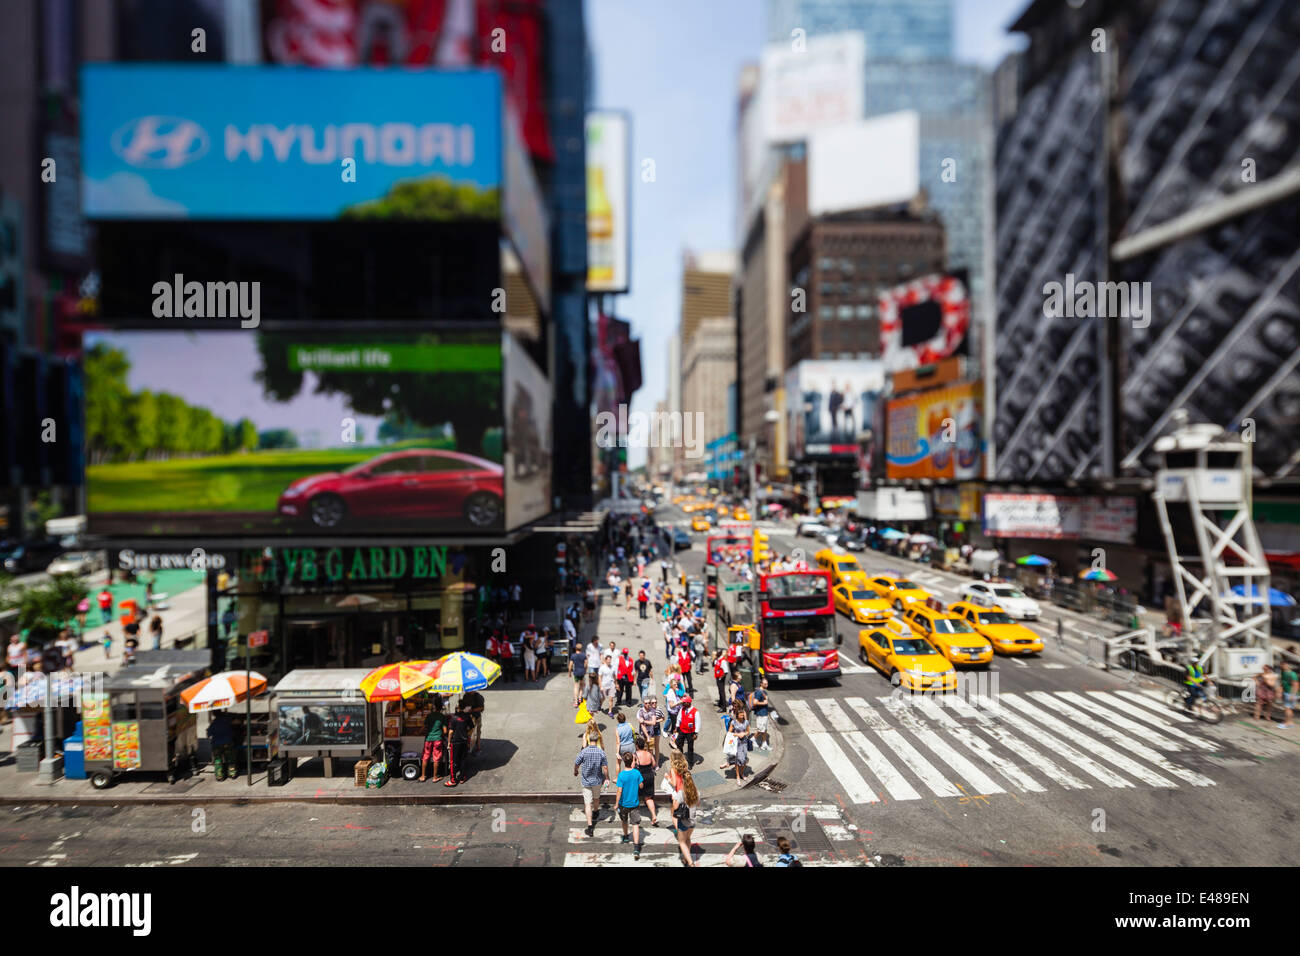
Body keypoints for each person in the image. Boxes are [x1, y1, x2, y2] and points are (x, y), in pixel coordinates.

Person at [663, 751, 699, 867]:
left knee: (682, 841)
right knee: (688, 839)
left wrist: (668, 778)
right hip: (693, 820)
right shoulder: (696, 792)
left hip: (683, 817)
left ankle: (690, 863)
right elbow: (697, 803)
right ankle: (685, 857)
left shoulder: (680, 794)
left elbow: (675, 806)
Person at [574, 735, 611, 838]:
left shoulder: (584, 752)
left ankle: (590, 826)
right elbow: (605, 767)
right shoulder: (601, 752)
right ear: (597, 740)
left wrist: (575, 771)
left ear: (589, 740)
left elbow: (576, 763)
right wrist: (607, 777)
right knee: (596, 798)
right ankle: (596, 811)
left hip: (586, 781)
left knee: (587, 803)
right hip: (597, 780)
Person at [615, 752, 644, 858]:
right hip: (634, 803)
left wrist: (616, 804)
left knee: (624, 821)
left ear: (624, 762)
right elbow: (641, 786)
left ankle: (626, 836)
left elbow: (619, 791)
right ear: (632, 761)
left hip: (623, 804)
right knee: (635, 825)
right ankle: (636, 848)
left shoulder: (621, 775)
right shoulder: (636, 773)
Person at [633, 733, 660, 826]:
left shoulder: (635, 755)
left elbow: (632, 767)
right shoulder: (649, 753)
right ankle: (653, 816)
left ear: (636, 745)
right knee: (648, 798)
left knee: (635, 796)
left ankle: (635, 817)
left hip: (640, 777)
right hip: (649, 776)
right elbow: (654, 764)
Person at [419, 697, 447, 782]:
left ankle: (423, 776)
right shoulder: (442, 717)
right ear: (441, 707)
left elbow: (424, 727)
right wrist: (440, 733)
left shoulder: (429, 716)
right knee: (436, 758)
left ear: (434, 707)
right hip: (437, 739)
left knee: (425, 757)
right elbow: (445, 731)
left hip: (428, 739)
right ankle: (435, 777)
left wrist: (419, 732)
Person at [445, 703, 471, 787]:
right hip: (464, 741)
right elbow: (471, 728)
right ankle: (462, 777)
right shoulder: (467, 717)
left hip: (455, 742)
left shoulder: (454, 718)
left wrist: (449, 742)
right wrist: (467, 735)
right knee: (463, 760)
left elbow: (451, 732)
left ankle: (453, 780)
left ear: (458, 708)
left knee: (453, 761)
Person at [726, 701, 750, 786]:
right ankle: (737, 776)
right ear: (737, 715)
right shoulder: (733, 722)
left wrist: (744, 734)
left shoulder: (746, 722)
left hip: (744, 743)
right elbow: (729, 732)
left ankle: (742, 773)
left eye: (743, 715)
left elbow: (748, 731)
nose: (742, 716)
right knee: (738, 760)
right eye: (741, 715)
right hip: (736, 743)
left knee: (744, 760)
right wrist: (737, 734)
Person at [208, 710, 236, 781]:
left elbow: (209, 734)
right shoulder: (227, 720)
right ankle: (232, 774)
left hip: (217, 744)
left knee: (218, 760)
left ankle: (220, 776)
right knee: (230, 759)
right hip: (228, 742)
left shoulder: (213, 723)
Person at [637, 695, 664, 762]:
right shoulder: (641, 711)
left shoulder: (656, 710)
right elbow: (642, 725)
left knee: (654, 747)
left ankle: (654, 763)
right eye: (652, 703)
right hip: (646, 732)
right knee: (644, 748)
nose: (654, 704)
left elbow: (656, 721)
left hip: (655, 730)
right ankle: (645, 763)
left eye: (655, 702)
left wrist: (645, 721)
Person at [675, 695, 700, 767]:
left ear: (688, 703)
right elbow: (679, 718)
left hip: (691, 732)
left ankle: (690, 762)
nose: (682, 704)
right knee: (678, 743)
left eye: (684, 702)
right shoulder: (682, 709)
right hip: (682, 730)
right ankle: (681, 759)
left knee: (690, 747)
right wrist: (677, 727)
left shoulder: (695, 711)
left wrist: (696, 733)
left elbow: (698, 722)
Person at [461, 690, 485, 755]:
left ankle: (478, 748)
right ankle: (468, 746)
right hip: (467, 716)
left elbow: (481, 708)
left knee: (477, 732)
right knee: (468, 732)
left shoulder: (478, 696)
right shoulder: (465, 695)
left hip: (476, 716)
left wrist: (472, 710)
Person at [751, 678, 773, 751]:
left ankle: (764, 744)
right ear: (761, 684)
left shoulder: (763, 692)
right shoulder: (759, 692)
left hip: (764, 713)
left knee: (765, 729)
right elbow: (754, 702)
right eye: (765, 684)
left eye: (767, 684)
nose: (766, 685)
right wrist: (764, 703)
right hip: (761, 714)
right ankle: (753, 739)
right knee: (760, 729)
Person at [1280, 659, 1298, 729]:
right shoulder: (1284, 673)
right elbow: (1283, 683)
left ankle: (1287, 723)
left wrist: (1293, 695)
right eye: (1281, 665)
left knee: (1288, 709)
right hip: (1286, 692)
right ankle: (1290, 722)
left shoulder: (1292, 674)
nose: (1282, 666)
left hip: (1290, 693)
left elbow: (1296, 685)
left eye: (1284, 665)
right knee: (1289, 709)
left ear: (1288, 665)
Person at [569, 642, 588, 708]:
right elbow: (586, 664)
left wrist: (569, 673)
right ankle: (580, 698)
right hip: (582, 672)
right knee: (582, 685)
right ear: (581, 649)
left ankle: (576, 702)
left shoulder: (573, 655)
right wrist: (585, 670)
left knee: (576, 687)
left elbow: (571, 665)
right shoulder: (583, 655)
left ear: (576, 648)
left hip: (576, 673)